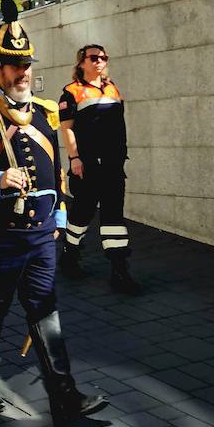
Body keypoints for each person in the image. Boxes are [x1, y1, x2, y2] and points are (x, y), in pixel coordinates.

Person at [0, 0, 107, 427]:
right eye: (13, 66)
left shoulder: (48, 113)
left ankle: (64, 396)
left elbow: (57, 174)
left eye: (26, 64)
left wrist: (61, 216)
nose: (23, 72)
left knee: (45, 312)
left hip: (41, 235)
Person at [58, 44, 138, 294]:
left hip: (113, 164)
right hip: (88, 165)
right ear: (81, 62)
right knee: (82, 214)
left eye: (103, 57)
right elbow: (67, 128)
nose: (99, 61)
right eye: (94, 58)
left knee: (114, 216)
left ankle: (119, 270)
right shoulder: (71, 92)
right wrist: (75, 158)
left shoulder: (112, 87)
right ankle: (70, 255)